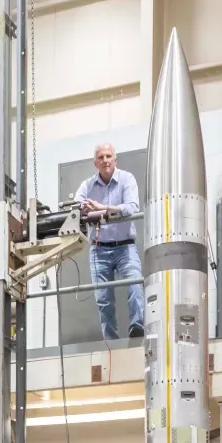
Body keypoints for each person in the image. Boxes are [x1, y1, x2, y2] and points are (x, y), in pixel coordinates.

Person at [74, 143, 143, 340]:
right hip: (99, 249)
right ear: (95, 163)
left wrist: (100, 208)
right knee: (103, 299)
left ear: (115, 159)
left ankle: (137, 327)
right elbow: (76, 205)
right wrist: (83, 208)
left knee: (135, 284)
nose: (105, 160)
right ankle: (111, 342)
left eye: (108, 156)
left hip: (125, 246)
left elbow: (131, 208)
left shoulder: (126, 179)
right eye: (101, 157)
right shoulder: (87, 185)